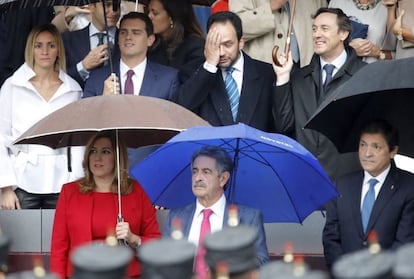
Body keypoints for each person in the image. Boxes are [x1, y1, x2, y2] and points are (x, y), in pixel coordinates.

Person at [50, 131, 162, 279]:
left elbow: (155, 241)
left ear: (117, 157)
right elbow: (59, 247)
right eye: (93, 151)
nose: (97, 157)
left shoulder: (137, 191)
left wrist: (133, 238)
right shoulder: (69, 192)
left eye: (106, 151)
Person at [272, 7, 366, 181]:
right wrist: (283, 77)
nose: (316, 34)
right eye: (314, 29)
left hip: (348, 180)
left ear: (343, 34)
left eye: (324, 28)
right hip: (305, 177)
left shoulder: (364, 76)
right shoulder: (299, 77)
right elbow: (283, 126)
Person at [0, 24, 83, 210]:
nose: (45, 51)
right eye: (38, 45)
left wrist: (77, 182)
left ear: (58, 49)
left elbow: (78, 142)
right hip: (20, 182)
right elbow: (0, 136)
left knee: (57, 238)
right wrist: (5, 187)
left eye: (51, 45)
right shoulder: (12, 86)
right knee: (23, 238)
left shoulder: (73, 90)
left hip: (62, 181)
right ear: (31, 49)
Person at [163, 146, 269, 279]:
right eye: (195, 172)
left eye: (206, 172)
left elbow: (261, 261)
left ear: (223, 178)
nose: (198, 178)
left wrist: (230, 267)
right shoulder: (176, 216)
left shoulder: (248, 218)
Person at [322, 119, 414, 267]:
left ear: (393, 151)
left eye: (376, 147)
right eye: (363, 145)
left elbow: (404, 243)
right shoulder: (342, 185)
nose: (367, 153)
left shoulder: (408, 186)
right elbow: (331, 238)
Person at [177, 11, 277, 133]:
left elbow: (278, 125)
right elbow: (180, 111)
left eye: (227, 44)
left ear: (241, 43)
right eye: (215, 45)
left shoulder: (267, 73)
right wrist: (209, 66)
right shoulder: (192, 71)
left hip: (253, 150)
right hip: (211, 150)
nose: (221, 52)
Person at [83, 12, 179, 99]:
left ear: (150, 40)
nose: (128, 37)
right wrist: (103, 100)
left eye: (136, 33)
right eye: (123, 32)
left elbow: (174, 116)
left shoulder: (168, 79)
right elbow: (85, 116)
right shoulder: (96, 78)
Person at [229, 0, 328, 67]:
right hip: (265, 69)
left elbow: (327, 26)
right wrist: (271, 7)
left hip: (307, 70)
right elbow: (234, 29)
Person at [61, 0, 121, 88]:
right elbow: (58, 80)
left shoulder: (129, 42)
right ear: (91, 6)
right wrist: (83, 66)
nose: (113, 11)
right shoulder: (68, 40)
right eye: (106, 5)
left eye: (117, 5)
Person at [147, 0, 206, 83]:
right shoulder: (152, 43)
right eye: (148, 11)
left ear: (171, 17)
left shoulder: (195, 46)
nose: (149, 16)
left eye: (155, 13)